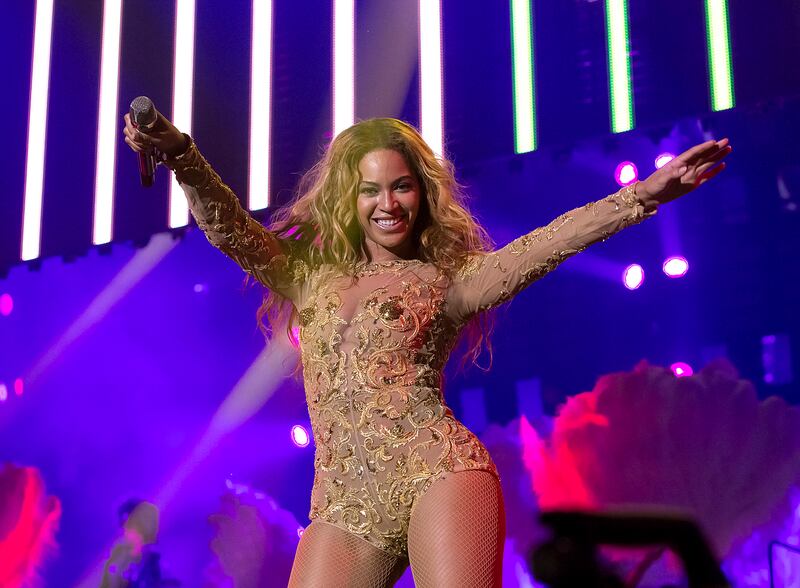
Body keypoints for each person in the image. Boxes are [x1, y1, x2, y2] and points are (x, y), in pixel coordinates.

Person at [123, 111, 731, 587]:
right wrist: (180, 154)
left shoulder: (451, 281)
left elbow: (547, 244)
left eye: (401, 187)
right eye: (370, 191)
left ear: (421, 193)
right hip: (342, 505)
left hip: (439, 474)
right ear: (348, 199)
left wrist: (644, 195)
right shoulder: (306, 276)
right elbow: (228, 227)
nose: (387, 204)